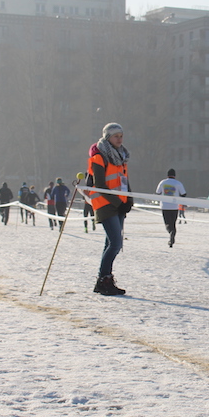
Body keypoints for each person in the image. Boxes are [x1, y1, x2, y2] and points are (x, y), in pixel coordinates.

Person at [86, 122, 132, 296]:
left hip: (119, 204)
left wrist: (129, 199)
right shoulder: (99, 156)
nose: (119, 139)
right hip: (105, 203)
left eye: (121, 136)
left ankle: (105, 280)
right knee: (116, 243)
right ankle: (103, 279)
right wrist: (118, 203)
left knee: (110, 243)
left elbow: (124, 180)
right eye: (115, 136)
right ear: (107, 138)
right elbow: (100, 185)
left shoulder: (121, 156)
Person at [155, 168, 187, 248]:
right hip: (174, 207)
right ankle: (172, 236)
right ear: (175, 175)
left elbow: (157, 193)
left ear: (167, 175)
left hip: (165, 206)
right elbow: (184, 194)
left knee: (167, 224)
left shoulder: (162, 182)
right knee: (173, 223)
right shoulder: (178, 183)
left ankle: (171, 233)